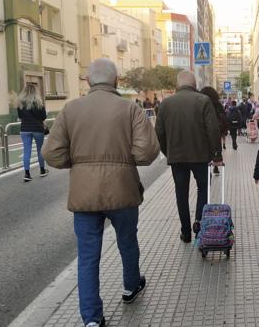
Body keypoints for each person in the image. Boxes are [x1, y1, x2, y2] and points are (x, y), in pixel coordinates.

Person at [42, 58, 160, 327]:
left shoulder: (71, 110)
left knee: (87, 255)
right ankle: (131, 286)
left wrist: (79, 164)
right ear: (116, 80)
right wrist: (124, 159)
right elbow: (148, 151)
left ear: (87, 81)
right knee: (128, 241)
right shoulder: (130, 109)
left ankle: (92, 319)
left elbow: (51, 153)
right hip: (123, 189)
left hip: (84, 195)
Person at [155, 71, 221, 243]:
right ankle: (199, 222)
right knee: (203, 189)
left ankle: (185, 232)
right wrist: (217, 154)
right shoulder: (203, 101)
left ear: (177, 85)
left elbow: (159, 133)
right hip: (201, 156)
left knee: (181, 194)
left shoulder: (166, 104)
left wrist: (168, 152)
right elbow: (213, 130)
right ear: (194, 85)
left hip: (177, 158)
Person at [16, 84, 48, 182]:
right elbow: (43, 117)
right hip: (37, 129)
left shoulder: (21, 104)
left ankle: (27, 174)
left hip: (25, 129)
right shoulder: (39, 103)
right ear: (35, 92)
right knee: (40, 150)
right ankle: (42, 171)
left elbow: (20, 116)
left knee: (26, 151)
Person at [200, 86, 227, 176]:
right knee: (215, 148)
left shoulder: (200, 105)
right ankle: (215, 165)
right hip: (216, 132)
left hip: (203, 135)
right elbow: (224, 117)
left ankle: (207, 171)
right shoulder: (218, 105)